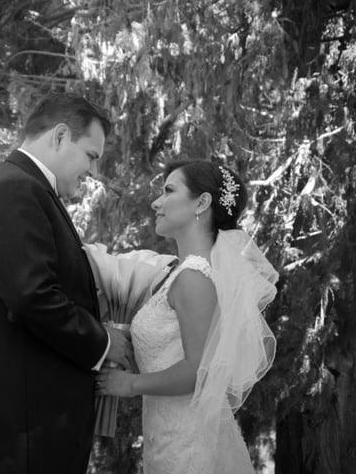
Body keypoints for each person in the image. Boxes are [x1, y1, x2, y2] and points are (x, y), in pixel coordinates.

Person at [0, 93, 132, 474]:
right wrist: (102, 340)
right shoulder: (14, 188)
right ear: (60, 136)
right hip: (3, 420)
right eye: (91, 156)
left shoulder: (23, 187)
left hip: (13, 412)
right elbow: (31, 296)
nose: (92, 171)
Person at [97, 160, 278, 474]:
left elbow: (199, 372)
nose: (156, 202)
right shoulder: (184, 273)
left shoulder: (194, 276)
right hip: (169, 434)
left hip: (189, 443)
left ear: (202, 202)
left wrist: (129, 385)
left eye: (168, 190)